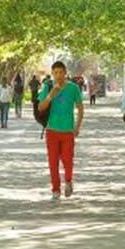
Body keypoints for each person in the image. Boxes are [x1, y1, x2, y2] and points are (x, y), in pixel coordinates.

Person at [38, 61, 84, 201]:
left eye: (60, 72)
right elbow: (41, 107)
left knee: (68, 160)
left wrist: (77, 127)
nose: (58, 75)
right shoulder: (48, 86)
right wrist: (50, 95)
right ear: (52, 74)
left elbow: (80, 108)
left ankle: (68, 181)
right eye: (55, 73)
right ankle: (56, 189)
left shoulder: (73, 88)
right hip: (52, 130)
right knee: (53, 162)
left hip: (67, 130)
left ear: (65, 73)